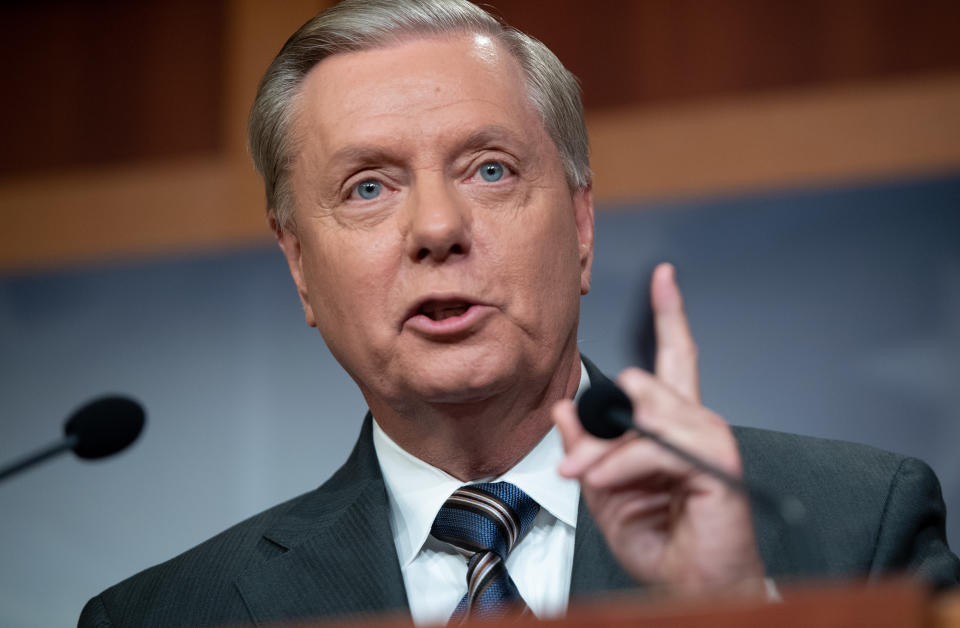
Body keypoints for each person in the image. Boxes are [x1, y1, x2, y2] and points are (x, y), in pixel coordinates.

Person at [79, 1, 959, 626]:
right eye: (369, 186)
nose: (435, 228)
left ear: (580, 226)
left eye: (489, 169)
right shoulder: (162, 616)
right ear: (301, 268)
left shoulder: (856, 525)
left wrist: (732, 615)